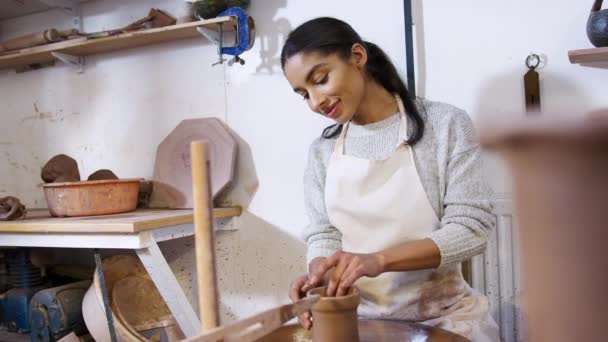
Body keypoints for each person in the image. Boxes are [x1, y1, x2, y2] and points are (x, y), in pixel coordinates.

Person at [281, 17, 500, 341]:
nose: (315, 101)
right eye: (304, 94)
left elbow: (471, 228)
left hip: (444, 318)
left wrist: (379, 261)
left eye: (321, 79)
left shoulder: (445, 125)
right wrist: (320, 276)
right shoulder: (322, 152)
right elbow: (324, 233)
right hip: (358, 320)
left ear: (357, 57)